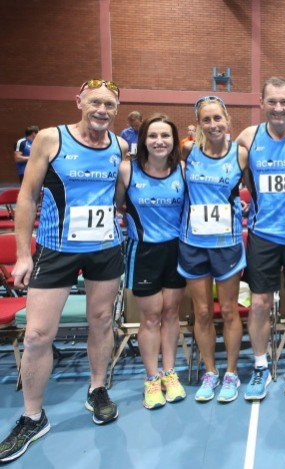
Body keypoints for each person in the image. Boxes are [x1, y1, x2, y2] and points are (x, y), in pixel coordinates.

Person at [0, 79, 125, 463]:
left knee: (102, 320)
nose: (102, 110)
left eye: (109, 104)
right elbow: (27, 196)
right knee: (37, 334)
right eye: (95, 102)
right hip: (57, 249)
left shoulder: (119, 146)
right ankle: (32, 416)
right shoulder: (52, 139)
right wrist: (23, 254)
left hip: (105, 247)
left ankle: (97, 389)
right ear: (79, 102)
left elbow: (119, 196)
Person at [236, 77, 285, 398]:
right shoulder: (248, 137)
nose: (278, 108)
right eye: (272, 101)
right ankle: (260, 366)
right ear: (262, 103)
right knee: (259, 304)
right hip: (262, 234)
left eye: (284, 101)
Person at [115, 113, 187, 409]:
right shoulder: (127, 171)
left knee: (171, 315)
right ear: (143, 139)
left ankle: (170, 374)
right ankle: (151, 379)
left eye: (166, 136)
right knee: (150, 318)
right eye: (153, 136)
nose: (160, 141)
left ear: (174, 141)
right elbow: (117, 204)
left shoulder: (182, 170)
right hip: (143, 252)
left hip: (177, 251)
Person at [180, 95, 249, 403]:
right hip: (193, 243)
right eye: (206, 120)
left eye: (217, 118)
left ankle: (231, 372)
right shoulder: (187, 153)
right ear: (199, 124)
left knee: (231, 310)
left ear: (227, 121)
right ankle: (210, 371)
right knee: (203, 312)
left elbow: (256, 191)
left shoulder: (240, 155)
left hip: (228, 244)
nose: (212, 125)